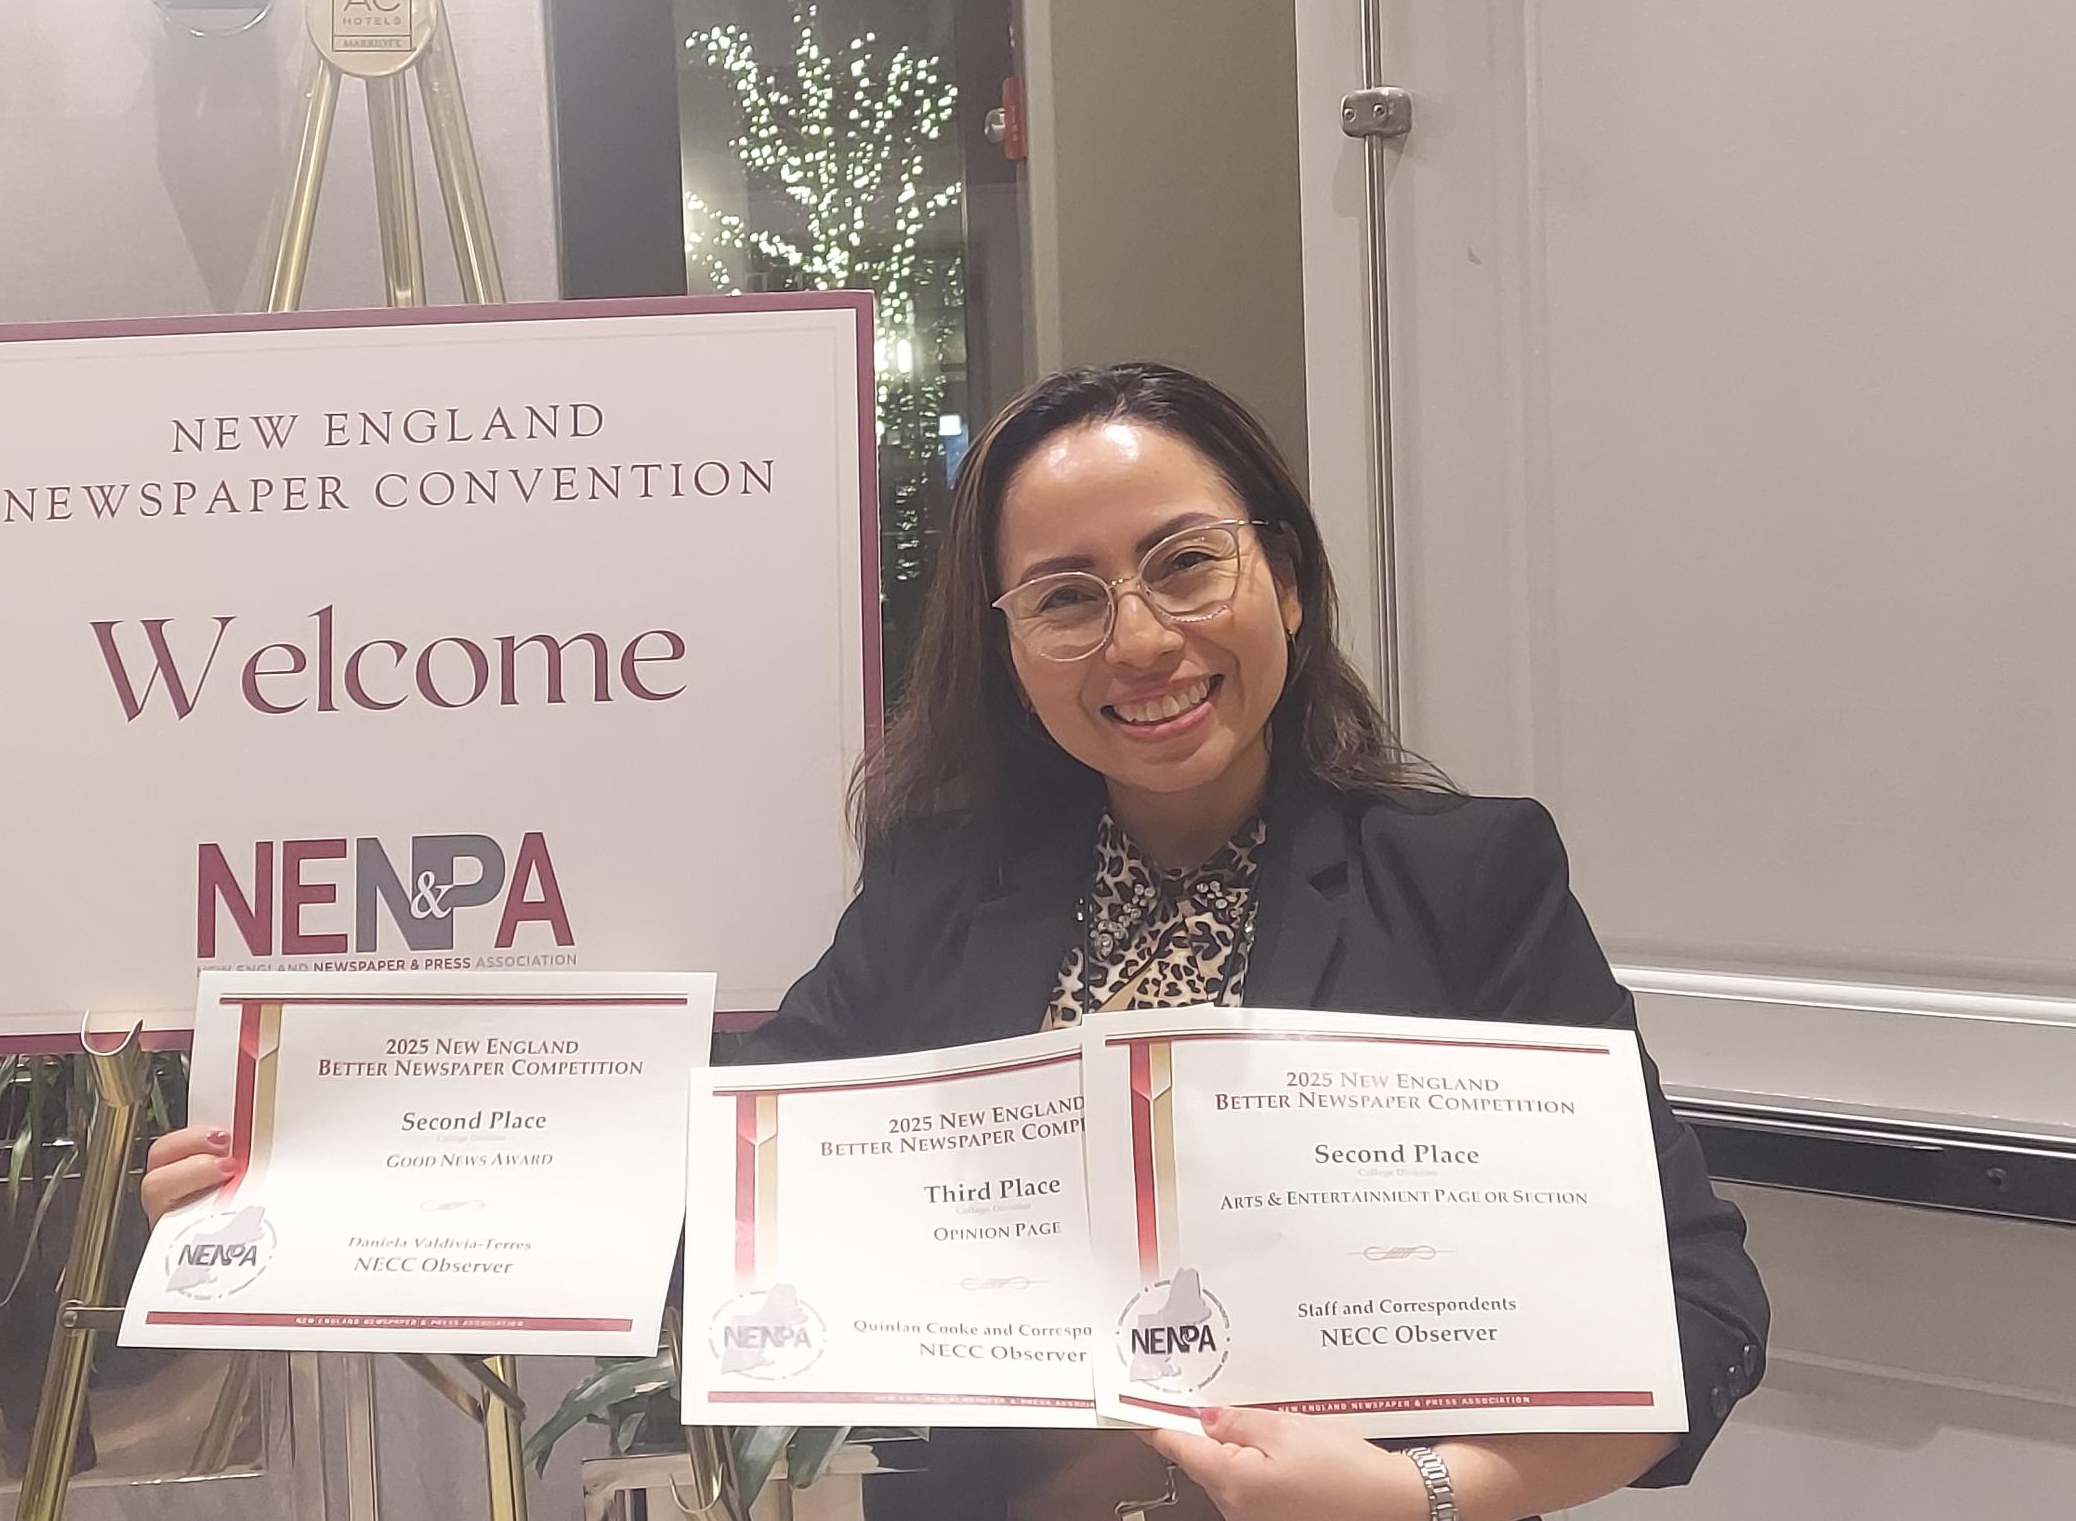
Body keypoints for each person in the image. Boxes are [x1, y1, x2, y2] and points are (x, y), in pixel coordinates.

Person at [144, 364, 1767, 1520]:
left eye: (1184, 562)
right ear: (1009, 644)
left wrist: (1415, 1492)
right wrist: (313, 1178)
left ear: (1282, 574)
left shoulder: (1469, 881)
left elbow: (1696, 1313)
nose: (1140, 639)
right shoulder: (942, 886)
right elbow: (722, 1181)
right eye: (1066, 595)